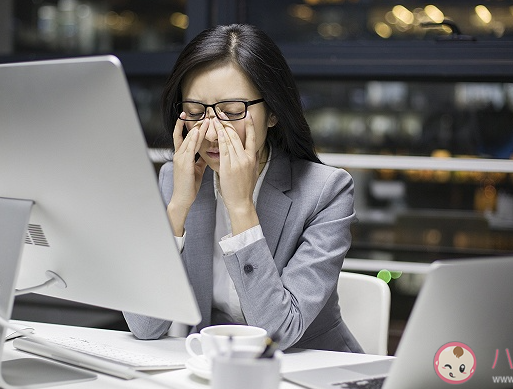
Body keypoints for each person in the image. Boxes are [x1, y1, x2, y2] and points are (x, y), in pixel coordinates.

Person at [123, 24, 362, 353]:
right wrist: (178, 207)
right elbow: (144, 326)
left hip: (310, 369)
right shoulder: (176, 179)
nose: (210, 133)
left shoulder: (326, 191)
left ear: (274, 112)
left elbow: (278, 333)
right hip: (217, 368)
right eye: (195, 112)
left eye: (232, 112)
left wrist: (241, 210)